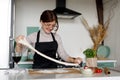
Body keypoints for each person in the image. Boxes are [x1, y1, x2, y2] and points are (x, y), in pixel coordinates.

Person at [15, 10, 82, 69]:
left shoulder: (57, 37)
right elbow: (19, 53)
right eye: (48, 24)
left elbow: (63, 55)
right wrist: (18, 44)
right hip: (37, 73)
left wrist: (74, 60)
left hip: (53, 72)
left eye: (53, 25)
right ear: (41, 22)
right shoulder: (32, 37)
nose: (50, 28)